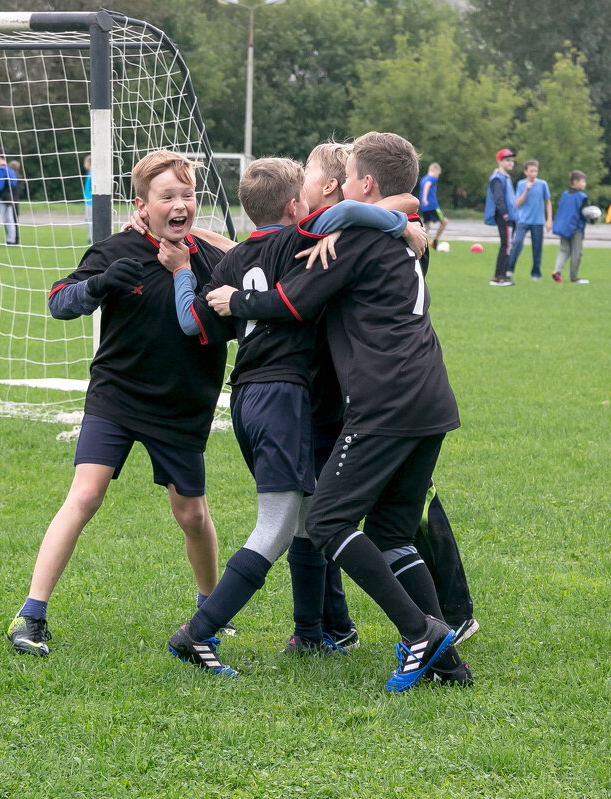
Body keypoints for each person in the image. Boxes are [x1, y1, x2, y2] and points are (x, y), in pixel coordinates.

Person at [207, 132, 464, 692]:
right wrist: (397, 218)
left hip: (384, 402)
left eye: (346, 177)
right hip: (431, 398)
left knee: (325, 522)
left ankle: (418, 632)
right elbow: (391, 212)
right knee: (394, 532)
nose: (339, 188)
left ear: (364, 184)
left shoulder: (351, 236)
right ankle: (447, 659)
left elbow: (292, 301)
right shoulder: (402, 238)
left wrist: (236, 302)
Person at [163, 156, 425, 675]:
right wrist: (403, 227)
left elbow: (194, 324)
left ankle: (311, 633)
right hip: (283, 396)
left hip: (247, 398)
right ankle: (196, 634)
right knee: (278, 526)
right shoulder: (298, 239)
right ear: (294, 207)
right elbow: (363, 212)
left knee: (307, 519)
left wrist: (179, 275)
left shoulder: (232, 265)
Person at [5, 150, 229, 658]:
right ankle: (31, 615)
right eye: (165, 196)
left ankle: (212, 608)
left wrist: (192, 257)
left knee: (191, 514)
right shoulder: (116, 250)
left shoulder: (211, 261)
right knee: (85, 495)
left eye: (186, 196)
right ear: (141, 206)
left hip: (181, 406)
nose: (179, 205)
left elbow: (253, 258)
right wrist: (99, 284)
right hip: (117, 396)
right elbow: (60, 302)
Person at [508, 159, 552, 282]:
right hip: (523, 220)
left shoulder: (543, 184)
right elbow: (518, 203)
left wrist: (549, 219)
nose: (533, 173)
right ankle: (509, 270)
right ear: (525, 172)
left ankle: (536, 274)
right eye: (531, 171)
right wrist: (527, 190)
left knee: (537, 248)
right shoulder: (521, 184)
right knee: (516, 243)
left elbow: (548, 202)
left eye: (535, 171)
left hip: (538, 221)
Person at [484, 148, 517, 286]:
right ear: (500, 161)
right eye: (507, 160)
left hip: (510, 217)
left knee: (507, 245)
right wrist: (505, 214)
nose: (511, 163)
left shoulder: (505, 177)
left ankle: (502, 275)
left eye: (512, 160)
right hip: (505, 217)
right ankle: (499, 277)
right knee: (506, 245)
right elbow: (499, 199)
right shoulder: (498, 178)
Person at [550, 170, 589, 284]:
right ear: (575, 182)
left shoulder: (564, 194)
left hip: (563, 227)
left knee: (564, 250)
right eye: (583, 181)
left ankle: (556, 271)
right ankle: (574, 277)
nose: (584, 184)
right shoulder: (582, 197)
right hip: (576, 228)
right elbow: (584, 213)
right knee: (577, 252)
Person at [0, 151, 19, 245]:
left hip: (2, 198)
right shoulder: (9, 170)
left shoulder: (1, 170)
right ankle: (11, 239)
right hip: (9, 197)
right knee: (9, 219)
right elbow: (14, 182)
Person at [418, 162, 447, 251]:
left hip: (423, 206)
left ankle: (421, 245)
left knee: (427, 227)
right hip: (432, 205)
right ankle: (435, 241)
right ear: (436, 170)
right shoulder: (433, 178)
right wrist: (425, 199)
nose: (438, 176)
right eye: (439, 174)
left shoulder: (423, 179)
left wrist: (423, 200)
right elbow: (427, 186)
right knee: (444, 222)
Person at [7, 159, 23, 245]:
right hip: (16, 200)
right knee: (15, 220)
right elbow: (21, 191)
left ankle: (11, 239)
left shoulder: (11, 177)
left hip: (11, 200)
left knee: (10, 220)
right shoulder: (19, 177)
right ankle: (16, 239)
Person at [82, 155, 93, 244]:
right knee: (88, 219)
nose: (84, 164)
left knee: (90, 219)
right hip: (88, 201)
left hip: (91, 201)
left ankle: (91, 237)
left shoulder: (92, 174)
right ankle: (90, 237)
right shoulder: (89, 174)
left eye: (85, 162)